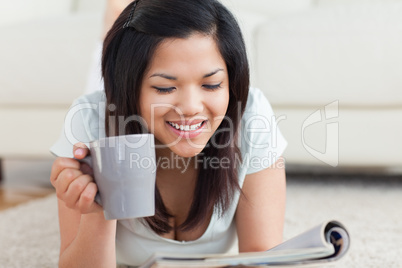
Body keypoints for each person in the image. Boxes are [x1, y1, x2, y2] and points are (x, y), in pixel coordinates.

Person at [50, 0, 287, 267]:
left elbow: (262, 255)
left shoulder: (251, 115)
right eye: (165, 88)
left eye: (211, 84)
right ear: (130, 89)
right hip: (120, 112)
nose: (190, 108)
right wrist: (95, 210)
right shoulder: (88, 121)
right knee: (108, 61)